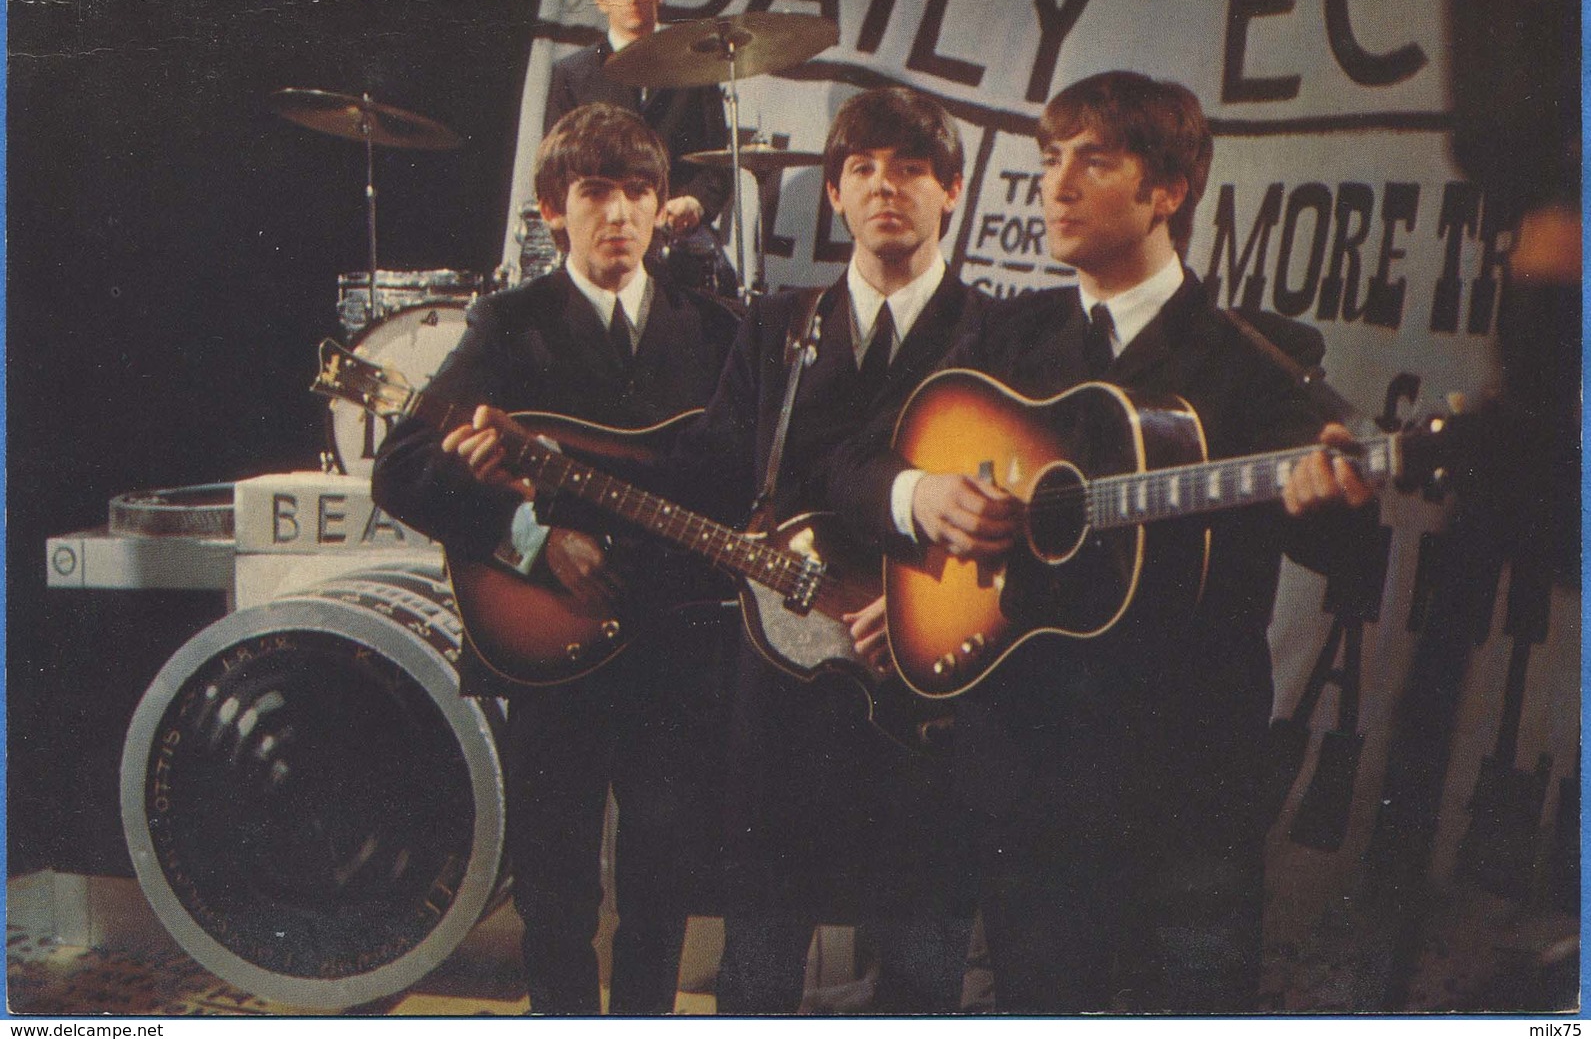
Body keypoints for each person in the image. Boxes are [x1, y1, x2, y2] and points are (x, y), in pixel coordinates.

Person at [830, 71, 1374, 1013]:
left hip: (1185, 779)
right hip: (1026, 773)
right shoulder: (1004, 334)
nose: (1057, 184)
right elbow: (854, 463)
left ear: (1166, 190)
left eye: (1094, 160)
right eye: (1049, 160)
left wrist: (1330, 498)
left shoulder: (1260, 353)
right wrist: (925, 503)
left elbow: (1346, 558)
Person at [371, 103, 741, 1015]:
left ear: (664, 208)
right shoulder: (510, 325)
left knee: (662, 872)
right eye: (594, 192)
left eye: (636, 192)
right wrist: (532, 539)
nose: (618, 212)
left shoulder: (720, 331)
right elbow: (403, 469)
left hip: (675, 641)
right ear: (550, 210)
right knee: (556, 879)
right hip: (549, 640)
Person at [660, 87, 990, 1013]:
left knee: (922, 972)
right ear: (835, 196)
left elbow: (1017, 512)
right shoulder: (775, 328)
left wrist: (932, 608)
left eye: (911, 169)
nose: (886, 187)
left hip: (930, 696)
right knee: (756, 967)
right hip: (783, 705)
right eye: (862, 170)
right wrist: (558, 473)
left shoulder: (998, 336)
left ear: (952, 189)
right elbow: (707, 472)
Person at [543, 0, 732, 288]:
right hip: (600, 233)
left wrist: (696, 202)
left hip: (677, 237)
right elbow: (555, 170)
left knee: (721, 290)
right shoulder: (572, 75)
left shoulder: (695, 69)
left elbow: (721, 162)